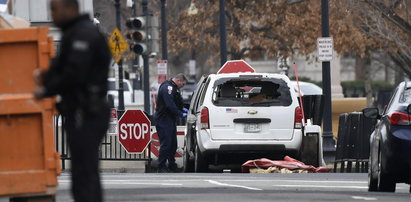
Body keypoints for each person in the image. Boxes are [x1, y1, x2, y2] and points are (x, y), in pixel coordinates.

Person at [33, 0, 111, 201]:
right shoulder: (74, 33)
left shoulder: (82, 34)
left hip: (86, 112)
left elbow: (74, 73)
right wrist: (46, 78)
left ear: (71, 9)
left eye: (55, 10)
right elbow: (61, 67)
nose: (53, 15)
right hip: (80, 111)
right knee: (85, 170)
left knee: (84, 173)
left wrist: (46, 90)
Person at [155, 74, 188, 173]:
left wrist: (182, 108)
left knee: (173, 143)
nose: (182, 86)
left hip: (170, 119)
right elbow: (170, 104)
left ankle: (171, 165)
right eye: (183, 84)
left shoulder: (173, 87)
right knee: (166, 143)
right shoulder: (167, 88)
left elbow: (177, 102)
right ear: (178, 80)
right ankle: (161, 166)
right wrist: (180, 113)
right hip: (163, 119)